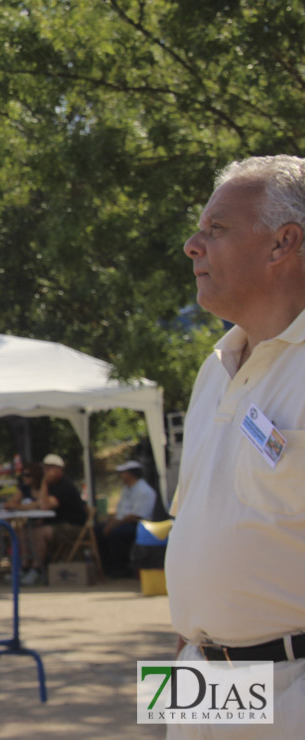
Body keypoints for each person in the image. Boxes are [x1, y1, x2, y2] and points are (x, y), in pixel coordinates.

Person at [165, 155, 305, 737]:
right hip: (199, 676)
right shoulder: (213, 368)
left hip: (291, 685)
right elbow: (195, 530)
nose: (193, 246)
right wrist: (184, 658)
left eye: (216, 229)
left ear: (283, 244)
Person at [22, 453, 87, 585]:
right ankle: (24, 568)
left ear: (59, 469)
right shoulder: (52, 486)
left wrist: (44, 482)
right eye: (44, 468)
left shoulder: (65, 486)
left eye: (49, 468)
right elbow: (41, 503)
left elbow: (44, 506)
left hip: (73, 527)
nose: (46, 472)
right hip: (58, 525)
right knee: (23, 532)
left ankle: (37, 571)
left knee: (38, 534)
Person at [94, 460, 157, 577]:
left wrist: (114, 524)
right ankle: (106, 567)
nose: (121, 476)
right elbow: (120, 511)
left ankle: (122, 568)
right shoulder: (126, 489)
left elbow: (137, 515)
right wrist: (111, 521)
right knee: (97, 531)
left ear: (131, 474)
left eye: (124, 473)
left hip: (139, 526)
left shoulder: (144, 491)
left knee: (116, 534)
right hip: (122, 522)